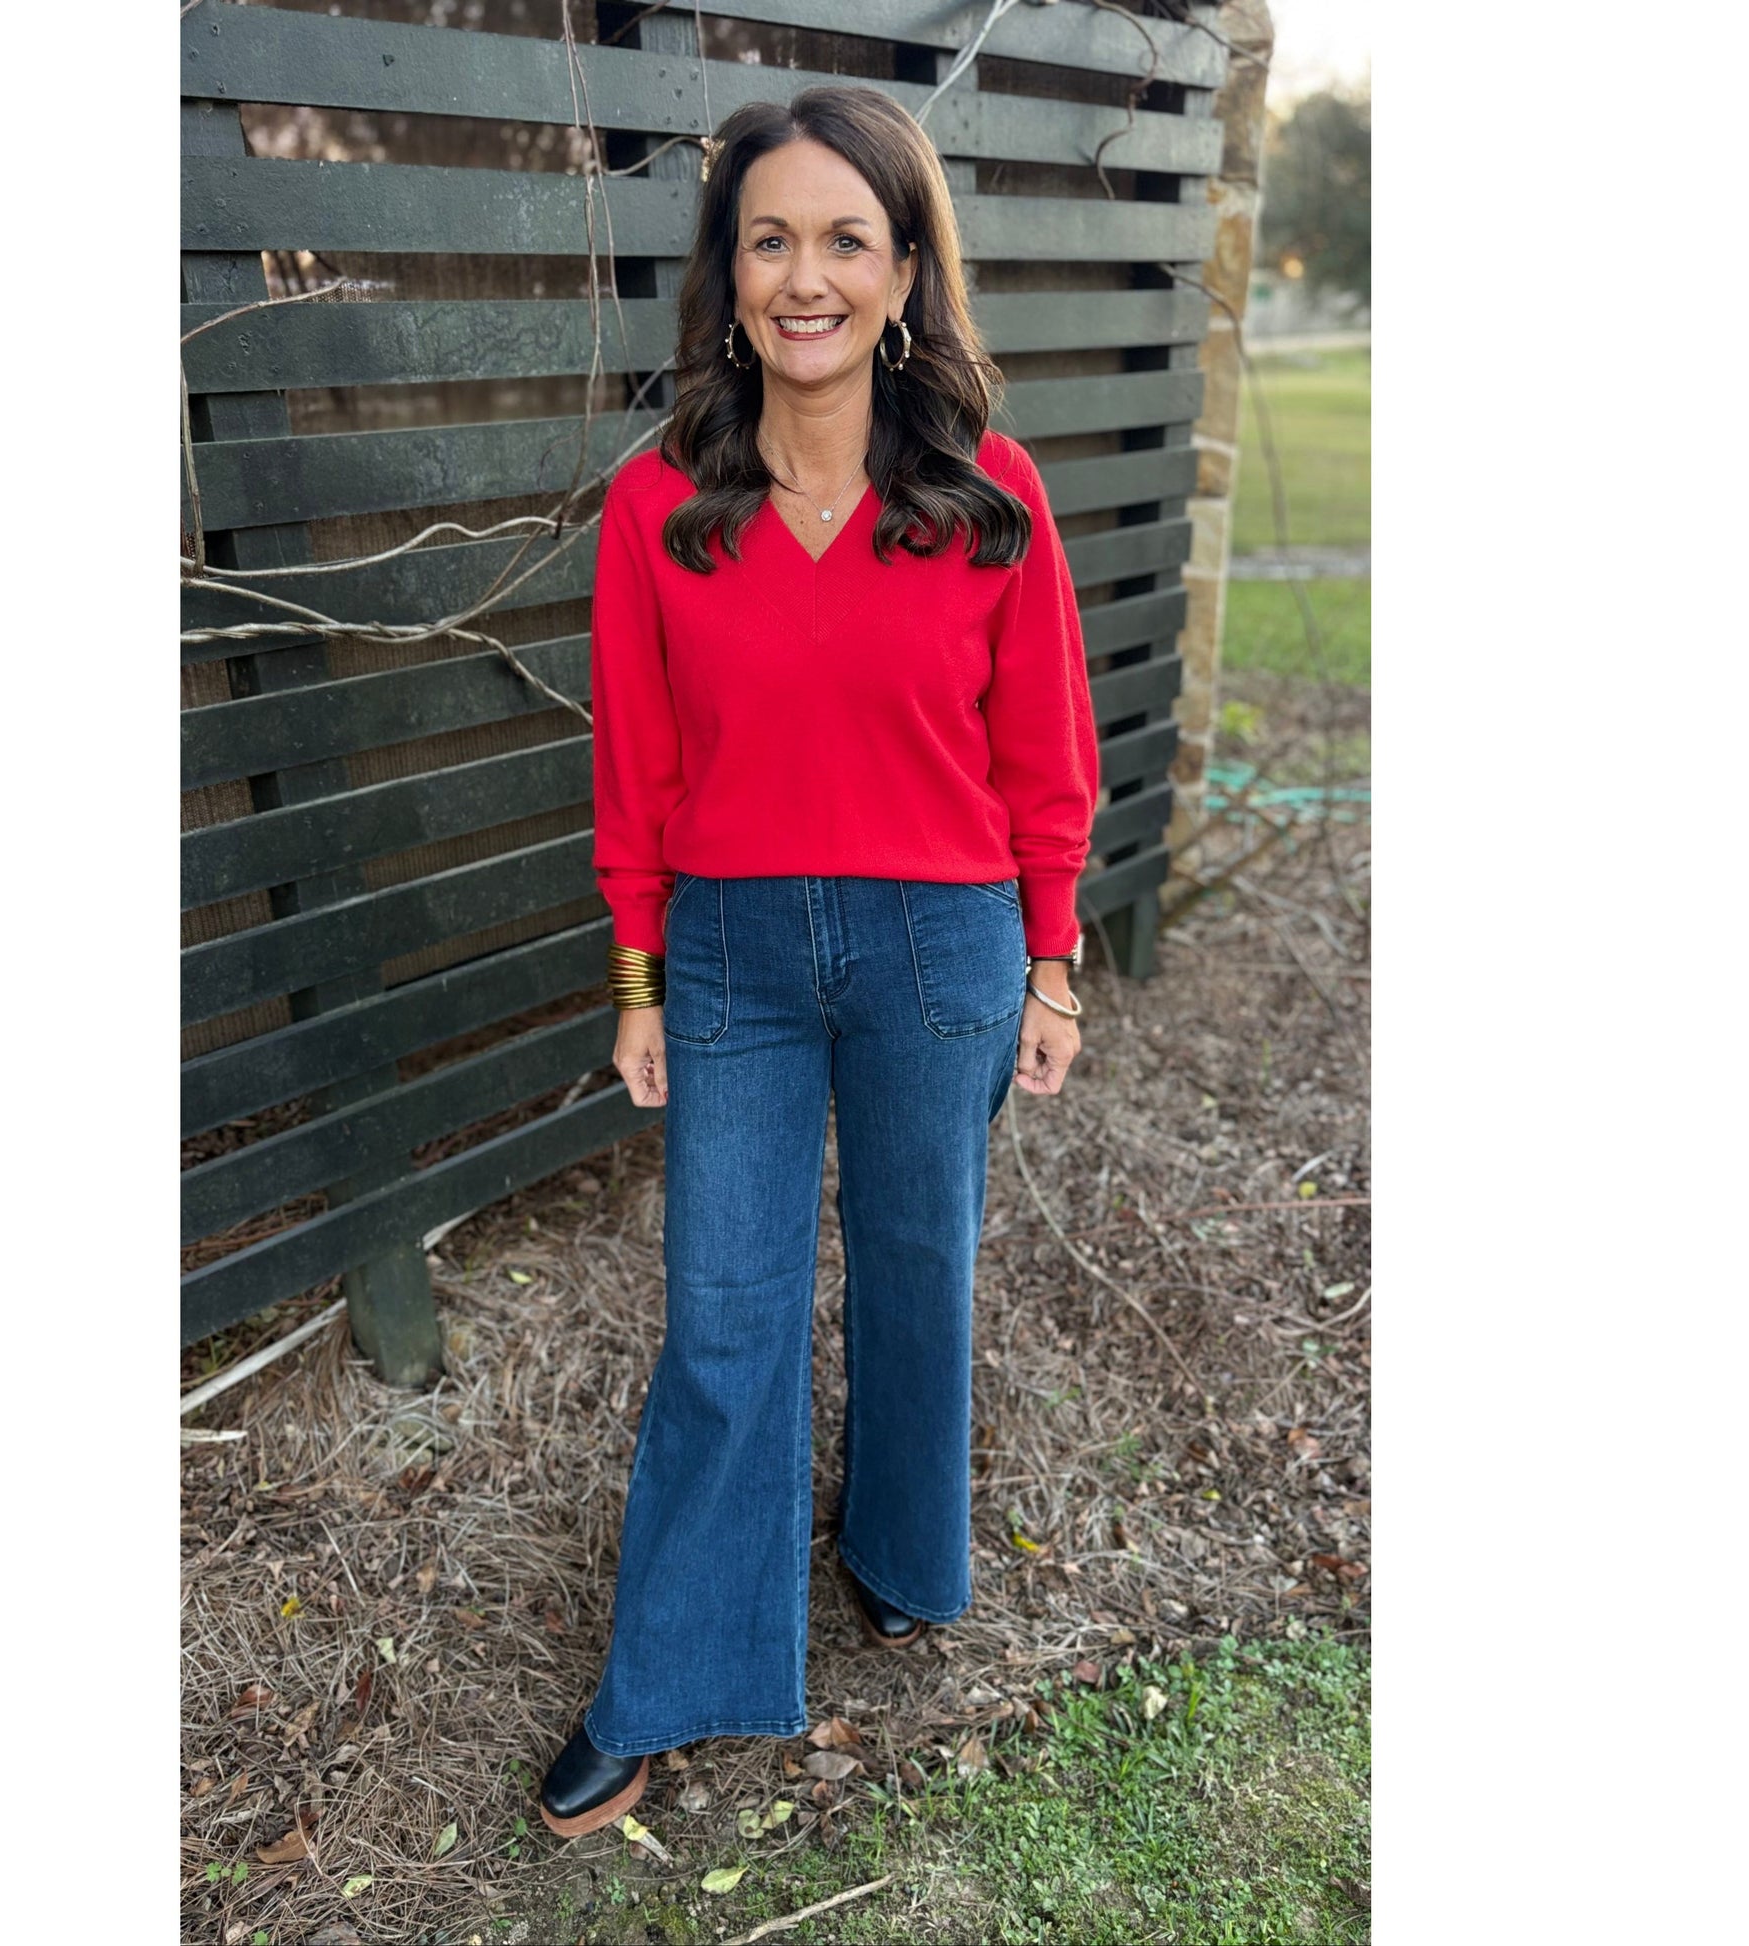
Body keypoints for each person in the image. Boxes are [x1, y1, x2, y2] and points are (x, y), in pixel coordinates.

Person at [537, 83, 1100, 1839]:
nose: (805, 275)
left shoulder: (988, 497)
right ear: (727, 275)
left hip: (942, 943)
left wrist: (1054, 963)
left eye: (846, 239)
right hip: (730, 961)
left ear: (906, 270)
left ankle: (899, 1550)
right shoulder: (657, 509)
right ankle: (676, 1672)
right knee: (721, 1314)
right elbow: (632, 767)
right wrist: (636, 980)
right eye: (769, 237)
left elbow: (1047, 752)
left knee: (922, 1268)